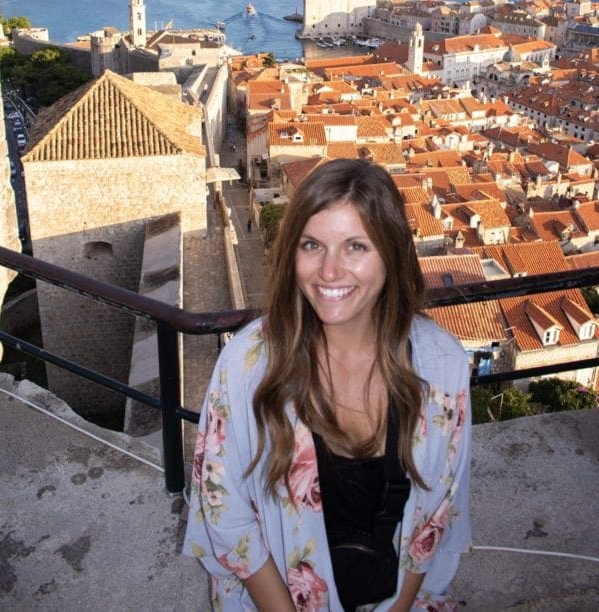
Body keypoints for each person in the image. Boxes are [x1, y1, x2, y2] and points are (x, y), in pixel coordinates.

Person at [184, 158, 471, 611]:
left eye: (356, 247)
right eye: (312, 245)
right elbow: (225, 511)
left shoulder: (441, 367)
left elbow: (435, 513)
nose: (329, 272)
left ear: (392, 255)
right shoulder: (249, 363)